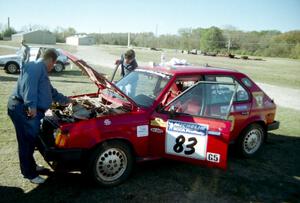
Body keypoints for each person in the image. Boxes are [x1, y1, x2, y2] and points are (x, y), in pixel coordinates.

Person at [7, 48, 71, 184]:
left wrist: (67, 100)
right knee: (26, 142)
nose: (53, 67)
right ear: (51, 60)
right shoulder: (36, 67)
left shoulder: (41, 71)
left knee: (30, 140)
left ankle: (31, 166)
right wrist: (32, 106)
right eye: (54, 64)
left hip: (29, 110)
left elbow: (51, 91)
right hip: (23, 109)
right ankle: (29, 174)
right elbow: (28, 86)